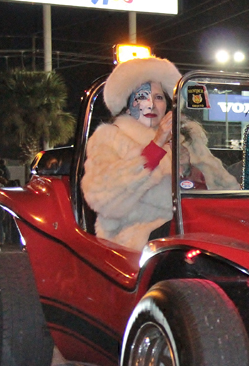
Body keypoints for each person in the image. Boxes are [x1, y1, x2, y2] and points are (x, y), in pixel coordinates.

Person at [82, 56, 237, 251]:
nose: (151, 105)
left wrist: (188, 170)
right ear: (128, 107)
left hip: (193, 231)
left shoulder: (187, 138)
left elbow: (222, 190)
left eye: (158, 97)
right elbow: (102, 198)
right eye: (141, 97)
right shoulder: (110, 138)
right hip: (134, 240)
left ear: (167, 105)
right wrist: (156, 147)